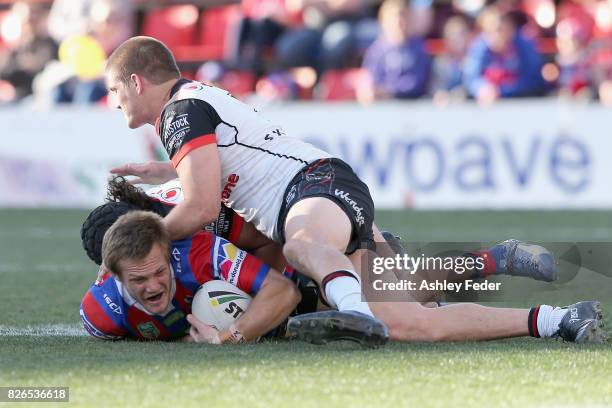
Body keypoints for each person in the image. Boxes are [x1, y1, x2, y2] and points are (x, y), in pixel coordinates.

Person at [105, 36, 601, 347]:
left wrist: (145, 245)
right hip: (321, 190)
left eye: (113, 91)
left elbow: (202, 204)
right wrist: (165, 172)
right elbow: (227, 165)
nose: (112, 102)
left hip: (314, 189)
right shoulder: (192, 102)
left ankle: (355, 315)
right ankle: (552, 315)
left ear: (135, 80)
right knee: (411, 320)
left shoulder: (178, 112)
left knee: (303, 248)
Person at [80, 191, 606, 345]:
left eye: (154, 265)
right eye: (134, 276)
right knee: (396, 305)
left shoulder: (201, 239)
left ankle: (557, 319)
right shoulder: (106, 307)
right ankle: (496, 258)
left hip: (322, 252)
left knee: (397, 320)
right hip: (315, 267)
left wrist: (237, 333)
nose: (151, 280)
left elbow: (278, 253)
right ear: (109, 272)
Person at [80, 210, 301, 343]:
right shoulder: (101, 313)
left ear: (169, 255)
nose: (153, 286)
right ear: (116, 276)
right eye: (139, 279)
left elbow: (284, 291)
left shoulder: (202, 255)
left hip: (287, 264)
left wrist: (225, 339)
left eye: (159, 271)